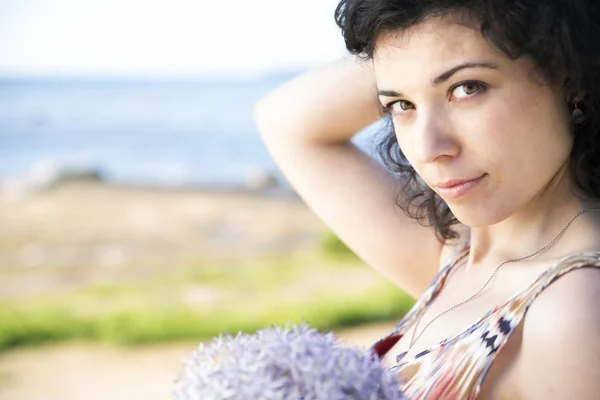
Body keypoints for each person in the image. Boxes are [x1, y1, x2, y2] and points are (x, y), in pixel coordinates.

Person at [254, 0, 600, 398]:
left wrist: (567, 26)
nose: (428, 147)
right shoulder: (457, 256)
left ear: (569, 76)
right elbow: (286, 120)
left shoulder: (573, 309)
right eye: (401, 105)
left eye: (467, 88)